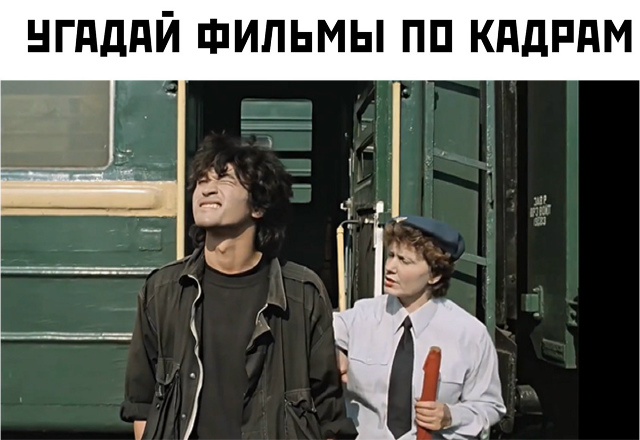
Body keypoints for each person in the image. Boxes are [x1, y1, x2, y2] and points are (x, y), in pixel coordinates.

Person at [120, 132, 357, 440]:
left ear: (258, 207)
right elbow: (142, 402)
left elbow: (328, 413)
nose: (207, 189)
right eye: (201, 181)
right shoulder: (162, 290)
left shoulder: (303, 293)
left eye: (225, 180)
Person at [333, 215, 506, 440]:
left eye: (404, 261)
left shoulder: (470, 334)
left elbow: (490, 406)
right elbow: (316, 334)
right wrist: (334, 350)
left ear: (434, 275)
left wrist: (451, 416)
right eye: (391, 255)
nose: (390, 267)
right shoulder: (360, 317)